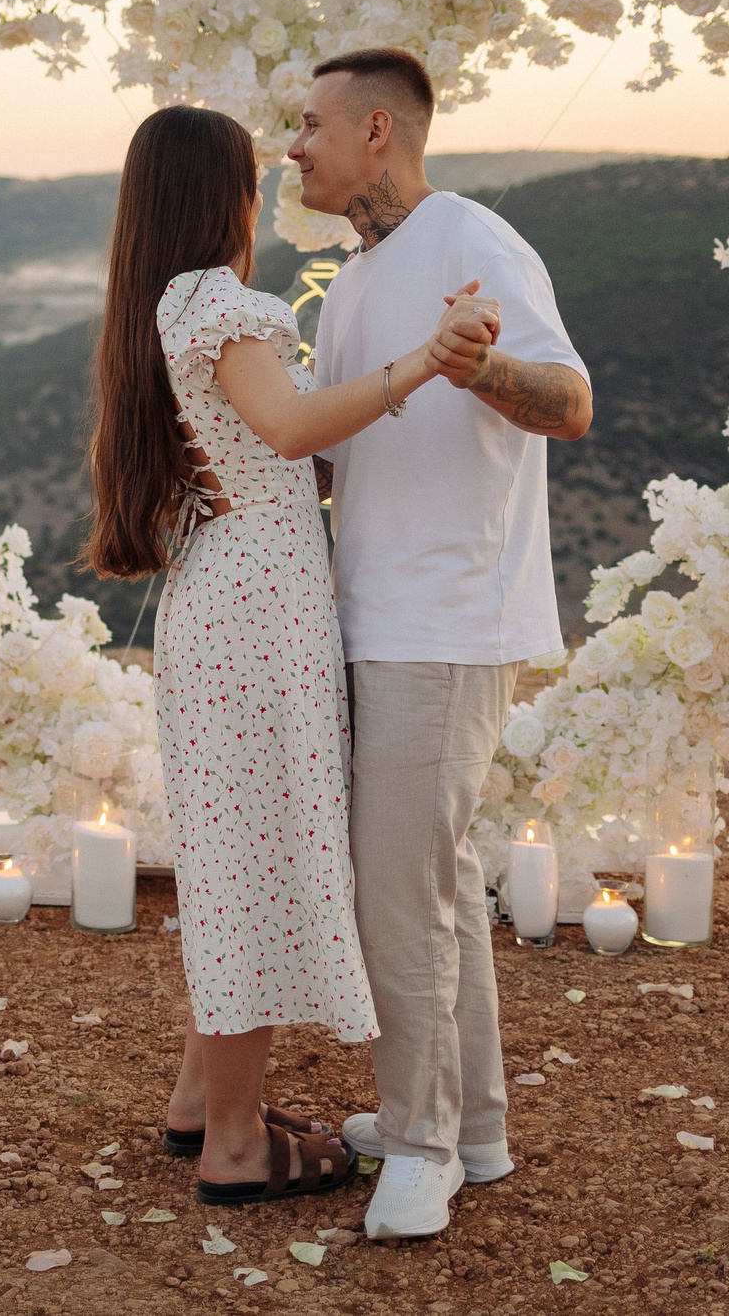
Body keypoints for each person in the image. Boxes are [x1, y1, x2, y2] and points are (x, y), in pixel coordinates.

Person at [84, 103, 483, 1208]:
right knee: (253, 867)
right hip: (259, 616)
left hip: (226, 600)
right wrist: (421, 365)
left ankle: (193, 1104)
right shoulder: (216, 299)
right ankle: (233, 1146)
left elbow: (257, 452)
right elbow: (291, 429)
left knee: (234, 859)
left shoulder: (160, 304)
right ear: (225, 196)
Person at [290, 46, 594, 1240]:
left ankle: (417, 1147)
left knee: (397, 892)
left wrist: (481, 369)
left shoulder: (473, 234)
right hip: (375, 615)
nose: (293, 148)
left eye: (310, 125)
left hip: (449, 618)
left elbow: (568, 403)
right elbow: (332, 443)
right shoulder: (355, 277)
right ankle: (474, 1126)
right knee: (441, 885)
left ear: (377, 131)